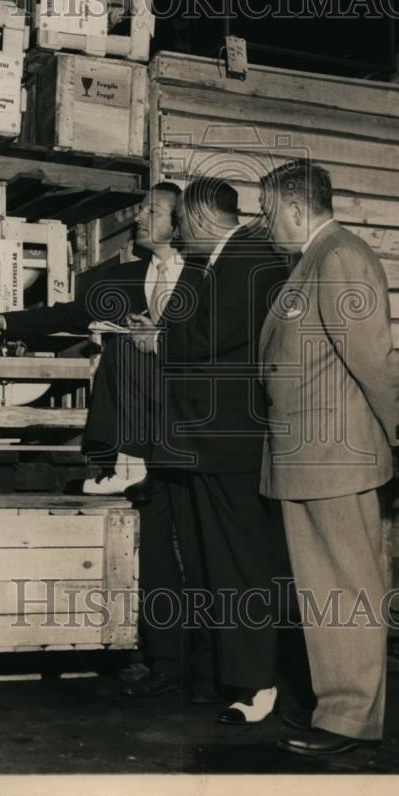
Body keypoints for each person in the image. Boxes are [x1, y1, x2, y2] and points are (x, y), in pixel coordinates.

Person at [0, 183, 217, 702]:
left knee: (202, 552)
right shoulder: (119, 279)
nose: (141, 216)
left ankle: (210, 668)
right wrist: (3, 319)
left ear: (180, 222)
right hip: (140, 441)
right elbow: (65, 315)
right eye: (142, 208)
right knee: (157, 557)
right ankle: (167, 663)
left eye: (153, 210)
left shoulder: (208, 281)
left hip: (195, 439)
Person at [257, 158, 399, 757]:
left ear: (296, 208)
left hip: (335, 457)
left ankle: (349, 719)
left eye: (270, 214)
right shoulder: (313, 261)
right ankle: (335, 708)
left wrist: (395, 430)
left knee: (347, 587)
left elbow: (373, 361)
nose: (267, 226)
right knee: (324, 590)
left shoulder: (339, 256)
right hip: (308, 456)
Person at [129, 177, 290, 725]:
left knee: (241, 567)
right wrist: (169, 331)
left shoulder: (254, 260)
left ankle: (256, 686)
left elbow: (207, 335)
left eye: (180, 223)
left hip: (231, 443)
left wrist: (159, 339)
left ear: (197, 219)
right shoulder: (214, 263)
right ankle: (230, 676)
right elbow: (187, 325)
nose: (175, 232)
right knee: (210, 566)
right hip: (202, 441)